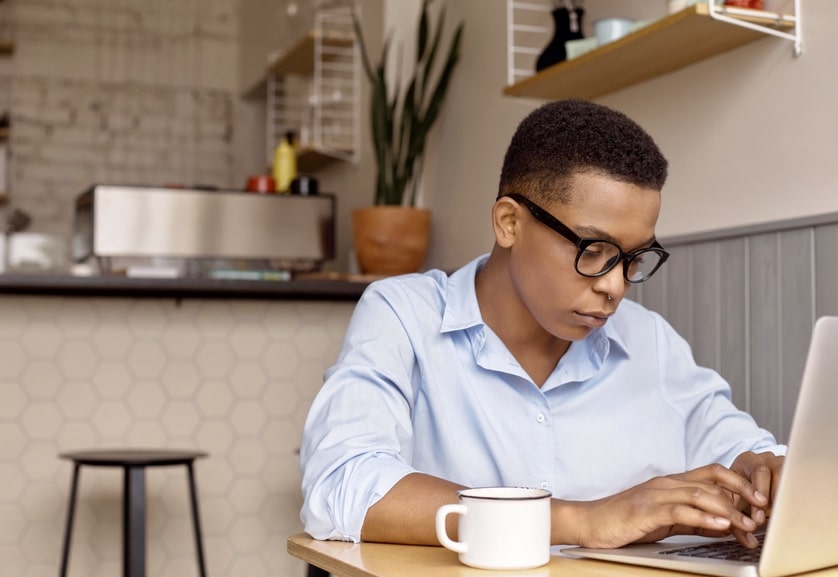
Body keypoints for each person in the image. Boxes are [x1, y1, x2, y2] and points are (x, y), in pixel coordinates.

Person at [299, 99, 785, 550]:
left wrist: (764, 471)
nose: (616, 286)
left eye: (634, 259)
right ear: (509, 223)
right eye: (593, 251)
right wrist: (581, 520)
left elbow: (742, 449)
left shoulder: (650, 339)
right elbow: (343, 483)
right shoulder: (403, 316)